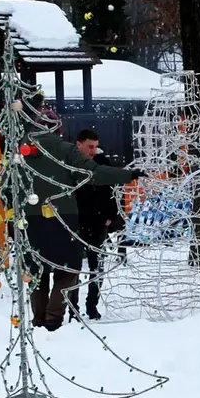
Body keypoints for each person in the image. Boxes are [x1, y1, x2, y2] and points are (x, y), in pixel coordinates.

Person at [20, 116, 145, 331]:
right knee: (68, 270)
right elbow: (94, 172)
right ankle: (53, 317)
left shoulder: (20, 151)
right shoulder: (65, 150)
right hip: (63, 217)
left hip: (31, 219)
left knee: (37, 269)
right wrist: (128, 174)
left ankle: (38, 319)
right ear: (58, 130)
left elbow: (7, 185)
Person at [71, 128, 122, 320]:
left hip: (98, 222)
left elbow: (114, 191)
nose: (93, 150)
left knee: (96, 267)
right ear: (79, 144)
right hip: (76, 222)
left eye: (95, 146)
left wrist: (110, 215)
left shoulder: (103, 163)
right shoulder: (72, 164)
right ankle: (72, 307)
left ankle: (92, 305)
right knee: (73, 268)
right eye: (89, 146)